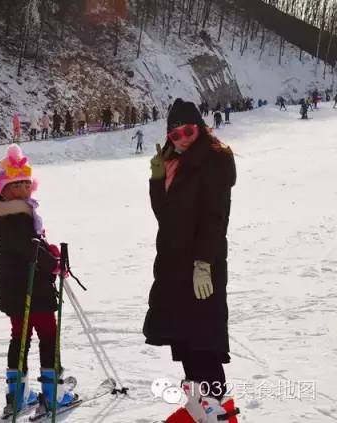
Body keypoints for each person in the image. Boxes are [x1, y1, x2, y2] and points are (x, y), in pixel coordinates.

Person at [144, 99, 239, 423]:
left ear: (199, 127)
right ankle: (201, 410)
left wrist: (203, 264)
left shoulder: (213, 160)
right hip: (174, 267)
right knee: (185, 341)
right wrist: (157, 179)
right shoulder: (174, 163)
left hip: (202, 269)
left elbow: (215, 219)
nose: (182, 138)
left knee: (203, 344)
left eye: (187, 131)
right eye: (175, 134)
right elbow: (166, 216)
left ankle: (217, 412)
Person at [0, 144, 76, 416]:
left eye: (26, 183)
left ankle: (18, 394)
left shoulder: (12, 214)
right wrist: (54, 263)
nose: (24, 188)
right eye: (17, 185)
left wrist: (48, 250)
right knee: (47, 334)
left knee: (20, 337)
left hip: (15, 288)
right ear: (5, 190)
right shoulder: (16, 216)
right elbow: (28, 248)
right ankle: (52, 394)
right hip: (31, 289)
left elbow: (30, 244)